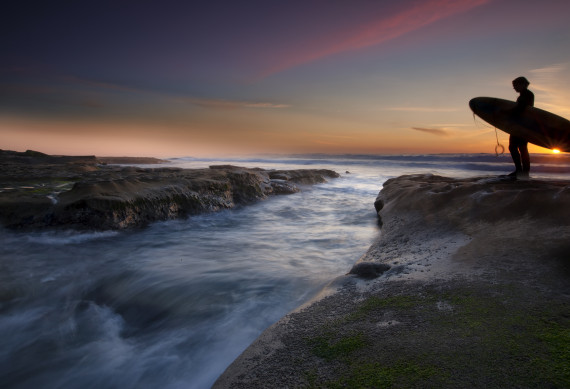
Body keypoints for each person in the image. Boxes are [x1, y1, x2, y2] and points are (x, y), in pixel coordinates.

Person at [508, 76, 534, 179]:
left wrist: (505, 113)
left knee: (518, 147)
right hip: (522, 125)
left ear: (523, 84)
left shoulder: (527, 95)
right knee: (520, 147)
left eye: (515, 85)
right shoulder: (525, 95)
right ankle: (522, 172)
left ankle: (521, 171)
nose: (514, 88)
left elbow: (520, 109)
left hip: (521, 125)